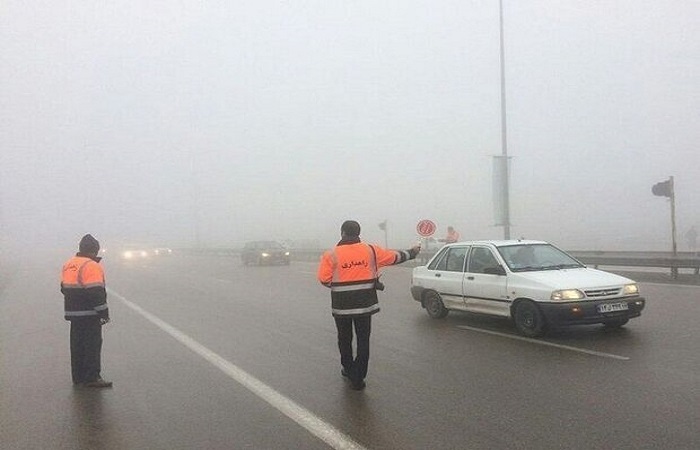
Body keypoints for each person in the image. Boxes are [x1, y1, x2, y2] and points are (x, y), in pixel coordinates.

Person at [317, 220, 420, 390]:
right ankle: (358, 377)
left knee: (344, 339)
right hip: (365, 303)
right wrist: (413, 252)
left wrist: (340, 287)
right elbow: (395, 257)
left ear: (342, 233)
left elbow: (324, 278)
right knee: (363, 340)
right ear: (359, 233)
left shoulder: (331, 254)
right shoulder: (371, 250)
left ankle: (348, 369)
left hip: (342, 305)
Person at [61, 234, 112, 388]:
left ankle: (78, 377)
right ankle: (91, 377)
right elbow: (96, 292)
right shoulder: (91, 266)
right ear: (94, 250)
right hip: (90, 314)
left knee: (77, 345)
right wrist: (104, 313)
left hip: (73, 314)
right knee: (92, 345)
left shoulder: (69, 264)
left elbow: (63, 288)